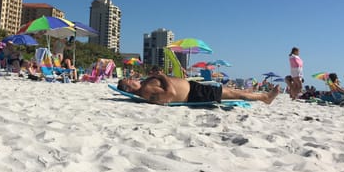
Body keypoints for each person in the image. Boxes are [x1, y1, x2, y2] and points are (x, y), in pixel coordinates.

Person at [117, 74, 280, 105]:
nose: (131, 79)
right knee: (233, 93)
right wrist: (162, 76)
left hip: (193, 87)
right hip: (194, 94)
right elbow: (170, 94)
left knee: (230, 90)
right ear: (129, 89)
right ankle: (265, 97)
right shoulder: (145, 90)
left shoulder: (145, 83)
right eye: (128, 80)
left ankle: (258, 95)